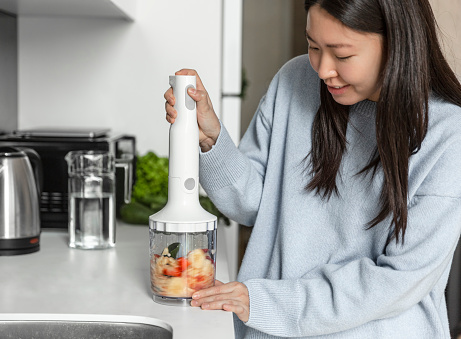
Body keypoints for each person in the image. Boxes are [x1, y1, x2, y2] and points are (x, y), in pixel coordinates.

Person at [164, 0, 461, 337]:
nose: (322, 70)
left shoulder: (449, 134)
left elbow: (398, 278)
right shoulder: (294, 80)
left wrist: (265, 301)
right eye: (313, 46)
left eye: (342, 55)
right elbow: (253, 205)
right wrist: (211, 141)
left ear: (397, 42)